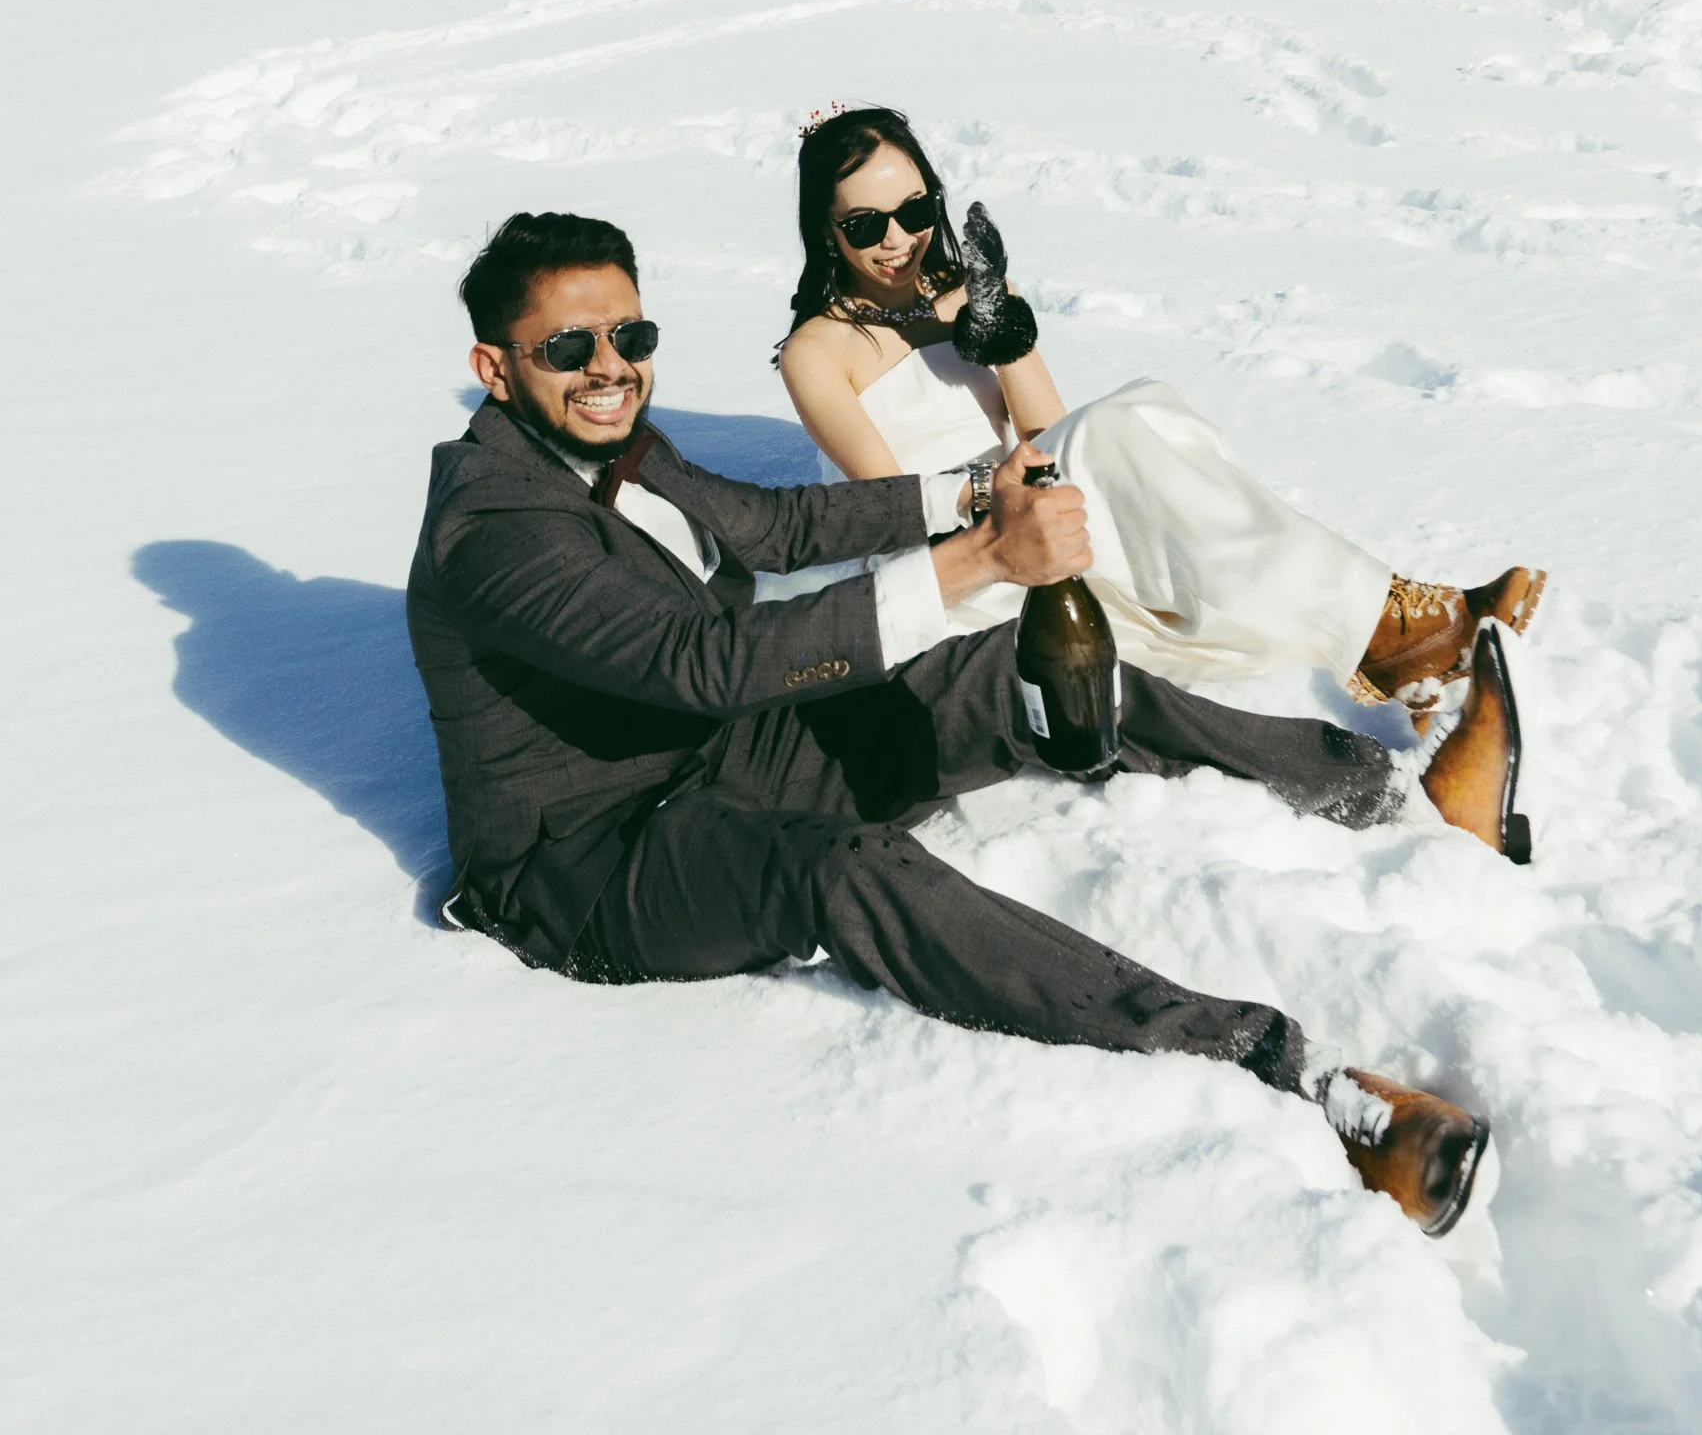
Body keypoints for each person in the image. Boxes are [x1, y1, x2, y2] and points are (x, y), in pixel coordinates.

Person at [408, 206, 1518, 1238]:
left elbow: (772, 525)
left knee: (1007, 670)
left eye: (630, 333)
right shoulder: (492, 528)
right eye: (569, 347)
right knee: (850, 872)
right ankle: (1285, 1074)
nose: (610, 367)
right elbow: (700, 662)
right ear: (494, 368)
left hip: (723, 748)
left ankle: (1380, 796)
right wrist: (975, 561)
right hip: (596, 859)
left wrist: (973, 493)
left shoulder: (620, 445)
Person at [777, 105, 1544, 833]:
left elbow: (1052, 432)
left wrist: (1003, 340)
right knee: (1126, 428)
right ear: (824, 227)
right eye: (864, 224)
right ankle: (1401, 636)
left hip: (1046, 516)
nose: (897, 240)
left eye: (914, 211)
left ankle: (1401, 645)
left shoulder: (969, 295)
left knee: (1139, 448)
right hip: (957, 563)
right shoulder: (816, 352)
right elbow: (890, 508)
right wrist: (1001, 488)